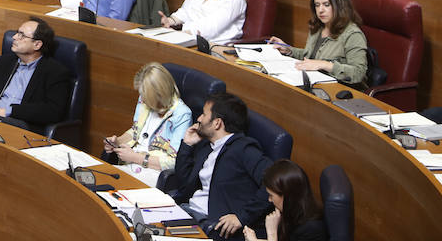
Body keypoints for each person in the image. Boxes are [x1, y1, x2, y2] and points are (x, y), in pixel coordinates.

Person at [174, 92, 273, 240]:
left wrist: (242, 216)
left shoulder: (244, 148)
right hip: (187, 210)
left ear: (217, 123)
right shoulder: (207, 145)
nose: (199, 119)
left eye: (204, 114)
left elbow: (274, 183)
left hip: (208, 224)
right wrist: (187, 145)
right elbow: (184, 185)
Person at [0, 17, 72, 132]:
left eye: (21, 35)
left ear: (37, 45)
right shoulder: (2, 63)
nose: (14, 37)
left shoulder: (55, 72)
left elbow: (53, 111)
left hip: (22, 126)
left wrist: (9, 111)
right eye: (17, 33)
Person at [103, 63, 192, 185]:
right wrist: (117, 142)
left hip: (152, 172)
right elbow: (135, 132)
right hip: (129, 164)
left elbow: (174, 162)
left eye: (146, 97)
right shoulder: (144, 100)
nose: (142, 100)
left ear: (159, 96)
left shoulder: (182, 115)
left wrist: (135, 158)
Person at [270, 0, 368, 86]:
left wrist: (326, 65)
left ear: (339, 5)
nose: (320, 10)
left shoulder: (353, 34)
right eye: (317, 5)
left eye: (326, 5)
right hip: (314, 83)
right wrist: (289, 50)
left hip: (338, 89)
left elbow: (359, 73)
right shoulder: (317, 27)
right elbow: (311, 57)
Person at [243, 160, 327, 241]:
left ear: (286, 196)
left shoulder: (311, 230)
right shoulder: (292, 212)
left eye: (271, 195)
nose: (269, 200)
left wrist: (272, 233)